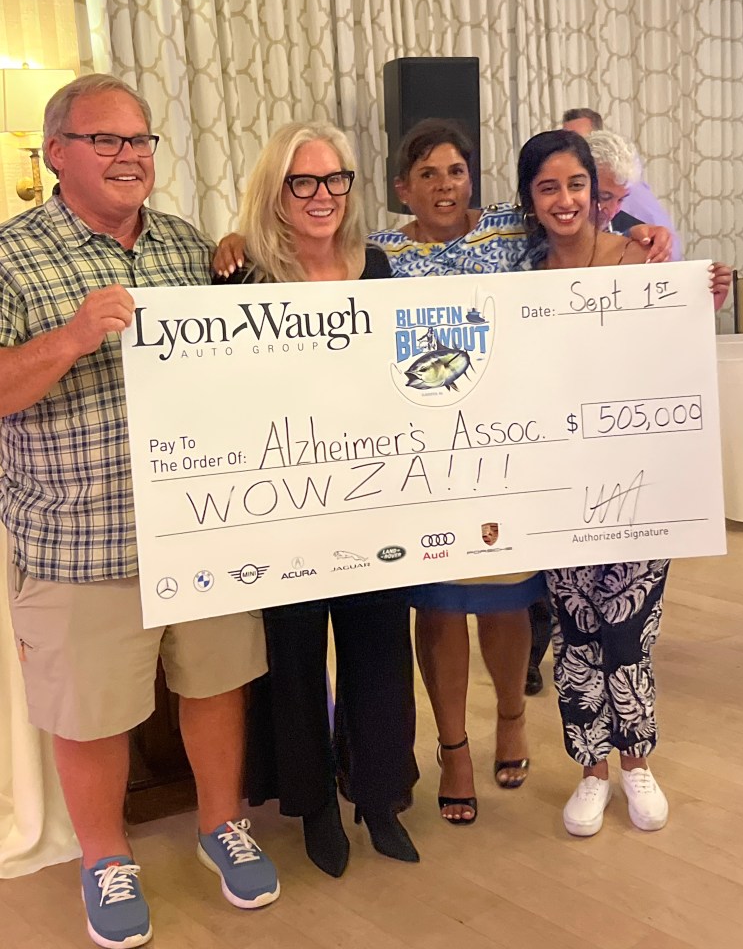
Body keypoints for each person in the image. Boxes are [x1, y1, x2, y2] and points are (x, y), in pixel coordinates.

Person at [214, 118, 675, 825]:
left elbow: (582, 214)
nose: (443, 185)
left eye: (455, 171)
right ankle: (453, 750)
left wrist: (646, 231)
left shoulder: (511, 235)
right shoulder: (381, 252)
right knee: (438, 606)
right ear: (402, 188)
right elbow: (297, 245)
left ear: (473, 179)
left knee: (511, 601)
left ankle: (514, 723)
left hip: (511, 453)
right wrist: (237, 239)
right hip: (422, 461)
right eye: (426, 174)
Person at [0, 74, 279, 949]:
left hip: (199, 523)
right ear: (57, 153)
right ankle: (104, 859)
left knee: (216, 682)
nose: (129, 156)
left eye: (140, 140)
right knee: (90, 713)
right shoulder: (11, 258)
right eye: (106, 140)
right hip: (78, 537)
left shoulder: (187, 246)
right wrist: (74, 336)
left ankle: (221, 823)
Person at [516, 128, 731, 837]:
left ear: (597, 191)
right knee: (575, 634)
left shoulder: (644, 260)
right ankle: (591, 771)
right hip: (561, 489)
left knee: (630, 631)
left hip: (642, 483)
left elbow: (674, 345)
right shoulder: (520, 282)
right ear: (530, 199)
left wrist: (705, 294)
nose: (565, 199)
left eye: (576, 184)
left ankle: (637, 763)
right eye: (548, 187)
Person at [221, 121, 419, 878]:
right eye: (302, 181)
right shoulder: (243, 280)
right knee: (295, 659)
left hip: (372, 501)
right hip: (284, 506)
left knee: (380, 651)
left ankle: (379, 797)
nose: (322, 195)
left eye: (335, 179)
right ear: (276, 191)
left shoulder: (378, 269)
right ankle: (314, 809)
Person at [562, 107, 683, 260]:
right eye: (566, 141)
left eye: (581, 141)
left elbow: (665, 252)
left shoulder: (628, 185)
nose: (612, 211)